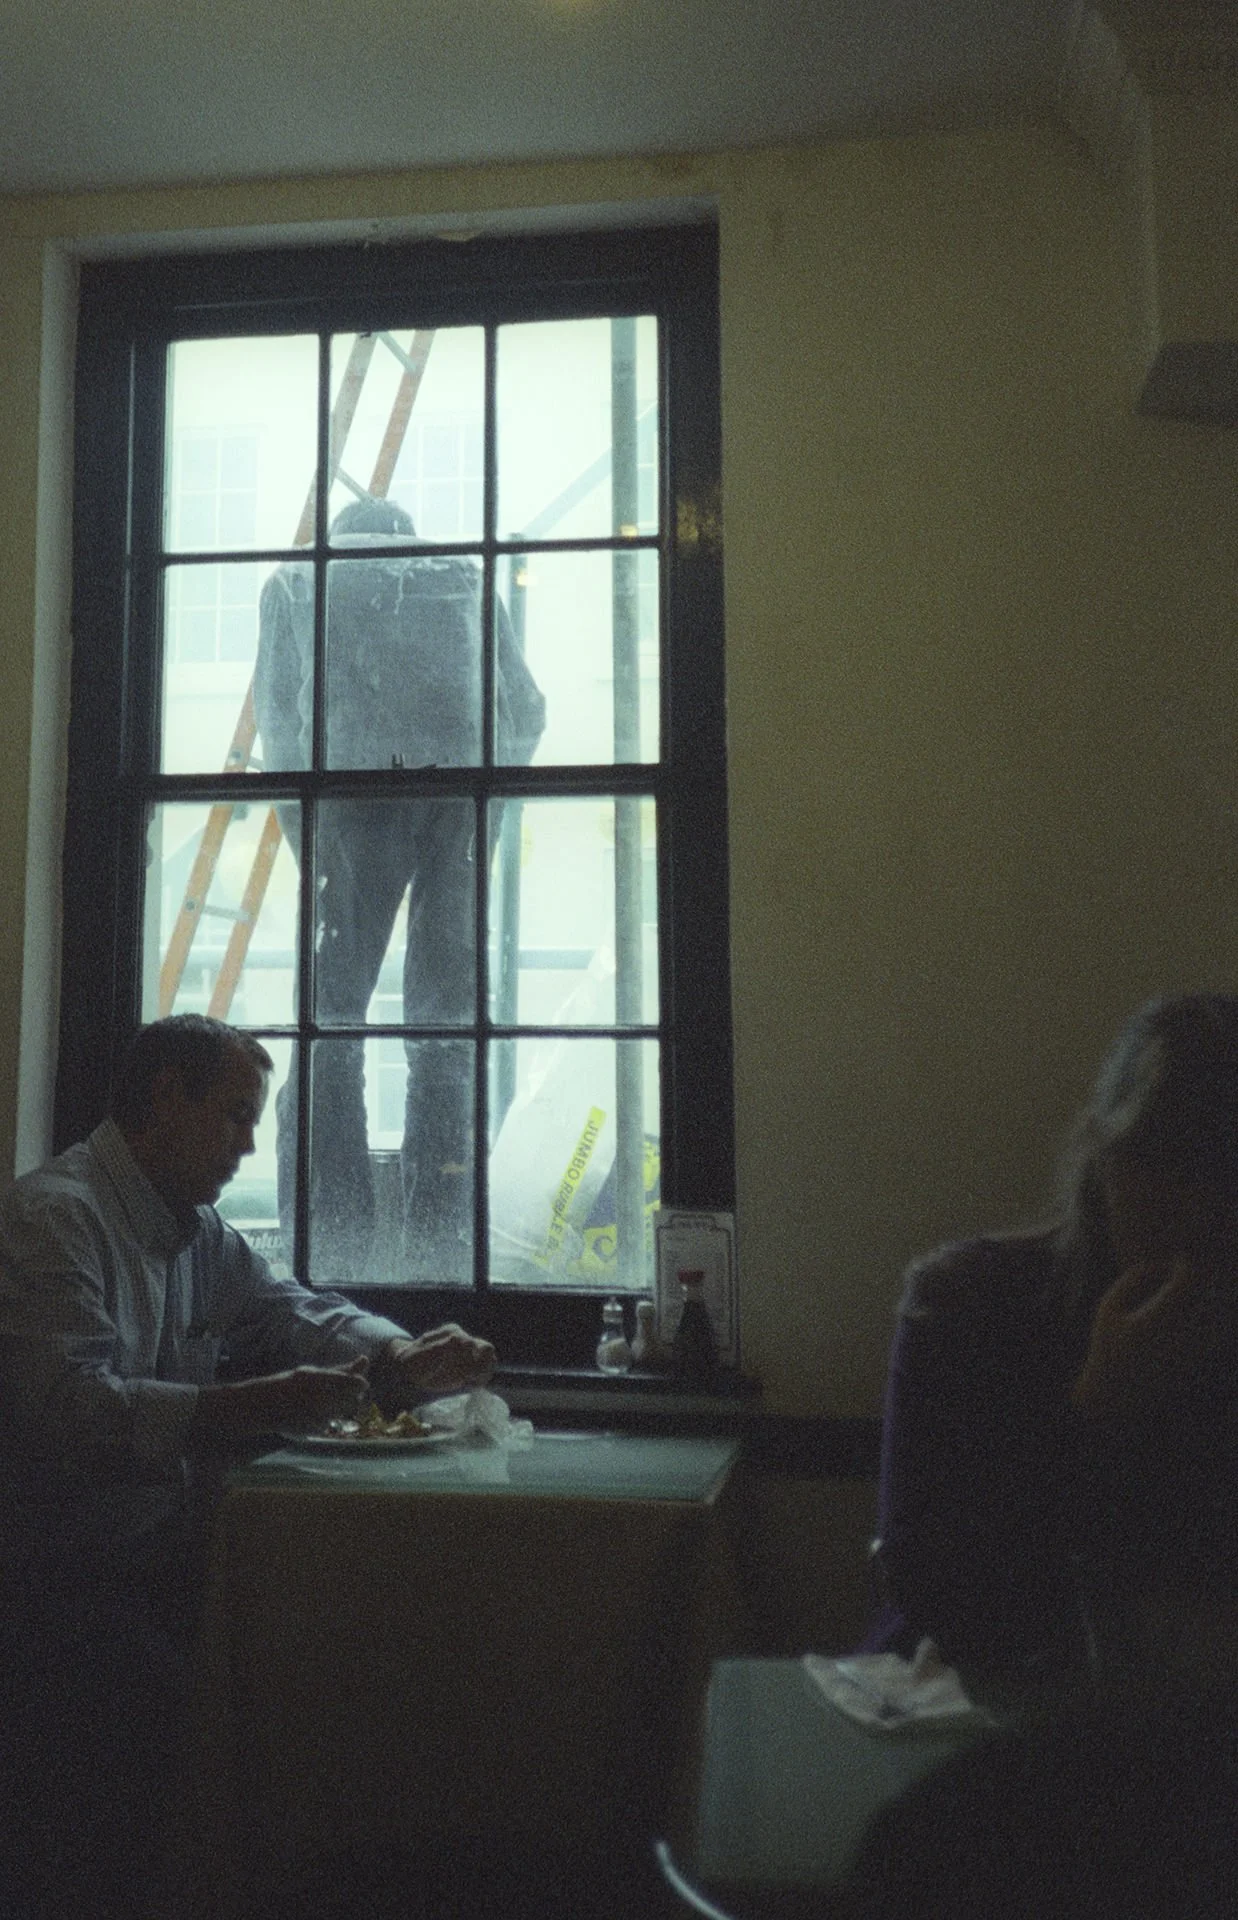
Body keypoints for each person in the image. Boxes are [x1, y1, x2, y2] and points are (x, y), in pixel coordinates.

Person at [0, 1013, 495, 1916]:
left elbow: (288, 1309)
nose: (251, 1142)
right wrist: (248, 1407)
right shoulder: (53, 1219)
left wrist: (401, 1356)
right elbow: (65, 1417)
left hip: (158, 1571)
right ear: (163, 1099)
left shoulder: (191, 1229)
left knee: (338, 1684)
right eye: (234, 1115)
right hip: (63, 1595)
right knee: (266, 1725)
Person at [871, 992, 1238, 1697]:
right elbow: (944, 1602)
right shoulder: (968, 1308)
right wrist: (1099, 1414)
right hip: (978, 1719)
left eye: (1224, 1171)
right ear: (1103, 1159)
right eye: (1165, 1161)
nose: (1197, 1207)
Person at [253, 493, 546, 1282]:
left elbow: (281, 733)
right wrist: (478, 819)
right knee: (445, 1039)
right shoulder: (464, 578)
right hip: (455, 807)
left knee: (329, 1034)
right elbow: (525, 707)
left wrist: (309, 839)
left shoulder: (295, 584)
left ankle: (329, 1247)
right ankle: (440, 1252)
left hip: (345, 811)